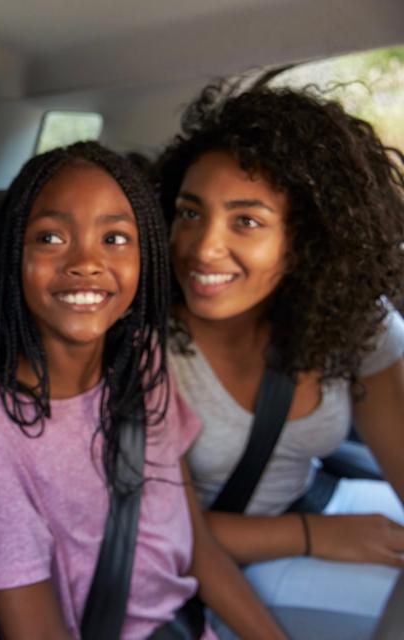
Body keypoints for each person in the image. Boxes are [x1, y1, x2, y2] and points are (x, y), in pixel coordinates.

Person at [0, 141, 284, 639]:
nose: (86, 261)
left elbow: (196, 547)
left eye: (116, 238)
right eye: (51, 237)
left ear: (145, 257)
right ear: (12, 256)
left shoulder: (141, 361)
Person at [158, 82, 404, 638]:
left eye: (245, 221)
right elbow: (151, 528)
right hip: (210, 569)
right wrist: (313, 536)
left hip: (325, 509)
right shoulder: (149, 344)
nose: (202, 248)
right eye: (190, 213)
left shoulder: (353, 323)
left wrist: (327, 530)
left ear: (308, 240)